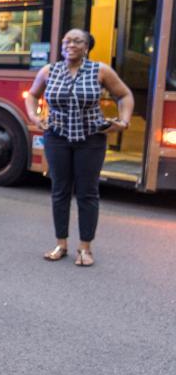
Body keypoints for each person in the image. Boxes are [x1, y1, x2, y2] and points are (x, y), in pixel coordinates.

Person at [24, 29, 133, 267]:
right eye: (67, 41)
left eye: (77, 41)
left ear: (87, 47)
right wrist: (34, 116)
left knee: (87, 192)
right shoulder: (49, 71)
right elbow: (31, 96)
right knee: (60, 190)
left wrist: (123, 122)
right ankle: (60, 244)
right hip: (57, 137)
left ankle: (85, 247)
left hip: (91, 138)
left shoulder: (100, 70)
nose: (71, 45)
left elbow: (124, 95)